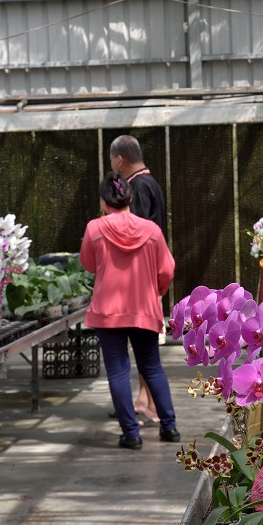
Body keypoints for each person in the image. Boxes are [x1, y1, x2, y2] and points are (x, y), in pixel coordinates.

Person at [79, 171, 180, 450]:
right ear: (130, 197)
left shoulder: (94, 229)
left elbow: (88, 263)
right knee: (152, 367)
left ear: (103, 201)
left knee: (118, 371)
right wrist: (154, 291)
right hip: (144, 308)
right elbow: (168, 269)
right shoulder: (151, 230)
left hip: (107, 312)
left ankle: (130, 434)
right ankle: (169, 427)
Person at [109, 134, 167, 422]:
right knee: (145, 345)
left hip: (140, 280)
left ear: (119, 159)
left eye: (111, 161)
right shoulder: (149, 183)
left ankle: (154, 406)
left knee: (144, 347)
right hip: (148, 277)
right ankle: (144, 400)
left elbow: (134, 233)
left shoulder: (139, 187)